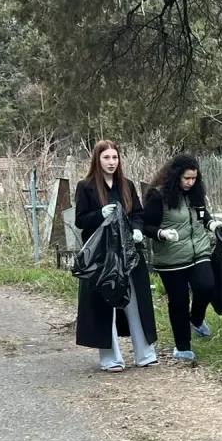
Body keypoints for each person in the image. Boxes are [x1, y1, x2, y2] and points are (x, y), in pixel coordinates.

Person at [73, 139, 159, 372]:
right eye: (106, 158)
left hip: (129, 252)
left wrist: (138, 230)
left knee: (136, 300)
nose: (111, 162)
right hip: (102, 256)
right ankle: (110, 357)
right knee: (105, 302)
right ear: (97, 160)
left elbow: (138, 214)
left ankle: (145, 353)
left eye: (115, 157)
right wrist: (100, 214)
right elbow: (80, 220)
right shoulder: (86, 186)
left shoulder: (127, 186)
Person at [142, 152, 222, 362]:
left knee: (206, 286)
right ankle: (182, 347)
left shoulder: (195, 193)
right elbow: (147, 226)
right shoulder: (158, 196)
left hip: (199, 249)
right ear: (175, 176)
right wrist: (161, 234)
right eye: (186, 178)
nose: (191, 182)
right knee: (178, 301)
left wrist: (211, 224)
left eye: (194, 178)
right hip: (171, 258)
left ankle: (196, 319)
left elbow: (201, 213)